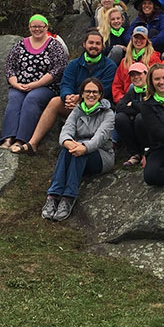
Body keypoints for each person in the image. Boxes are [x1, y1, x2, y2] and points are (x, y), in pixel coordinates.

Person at [11, 30, 116, 155]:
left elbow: (106, 89)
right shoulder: (73, 64)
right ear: (84, 44)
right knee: (55, 102)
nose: (94, 46)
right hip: (73, 104)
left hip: (97, 109)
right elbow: (66, 84)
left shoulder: (110, 66)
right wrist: (67, 97)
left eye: (98, 43)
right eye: (91, 42)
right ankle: (32, 144)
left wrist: (80, 98)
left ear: (102, 46)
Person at [42, 77, 114, 222]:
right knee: (67, 150)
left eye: (95, 92)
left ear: (100, 95)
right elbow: (66, 130)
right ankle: (54, 195)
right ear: (81, 94)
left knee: (78, 152)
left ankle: (68, 197)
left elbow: (100, 138)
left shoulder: (108, 114)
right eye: (88, 91)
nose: (91, 95)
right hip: (78, 150)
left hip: (101, 156)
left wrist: (84, 147)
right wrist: (68, 142)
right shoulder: (77, 111)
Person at [0, 14, 68, 150]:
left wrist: (36, 84)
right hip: (20, 85)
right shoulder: (20, 44)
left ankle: (21, 139)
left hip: (45, 86)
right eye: (34, 26)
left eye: (40, 26)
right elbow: (9, 66)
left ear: (46, 27)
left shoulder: (54, 45)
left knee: (32, 99)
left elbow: (59, 69)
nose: (37, 29)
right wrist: (15, 84)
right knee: (14, 98)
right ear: (29, 27)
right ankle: (8, 138)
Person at [112, 25, 161, 103]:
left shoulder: (154, 58)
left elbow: (158, 81)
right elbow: (117, 85)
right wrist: (122, 100)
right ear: (132, 39)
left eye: (142, 38)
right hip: (127, 100)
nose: (139, 41)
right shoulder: (125, 61)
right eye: (136, 38)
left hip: (147, 99)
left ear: (147, 41)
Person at [115, 62, 150, 167]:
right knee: (120, 118)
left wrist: (133, 105)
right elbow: (119, 107)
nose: (136, 77)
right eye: (133, 75)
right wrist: (138, 108)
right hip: (135, 126)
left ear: (146, 74)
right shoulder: (132, 91)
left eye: (139, 74)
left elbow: (148, 109)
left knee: (140, 118)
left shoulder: (152, 88)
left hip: (151, 128)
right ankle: (135, 154)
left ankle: (147, 153)